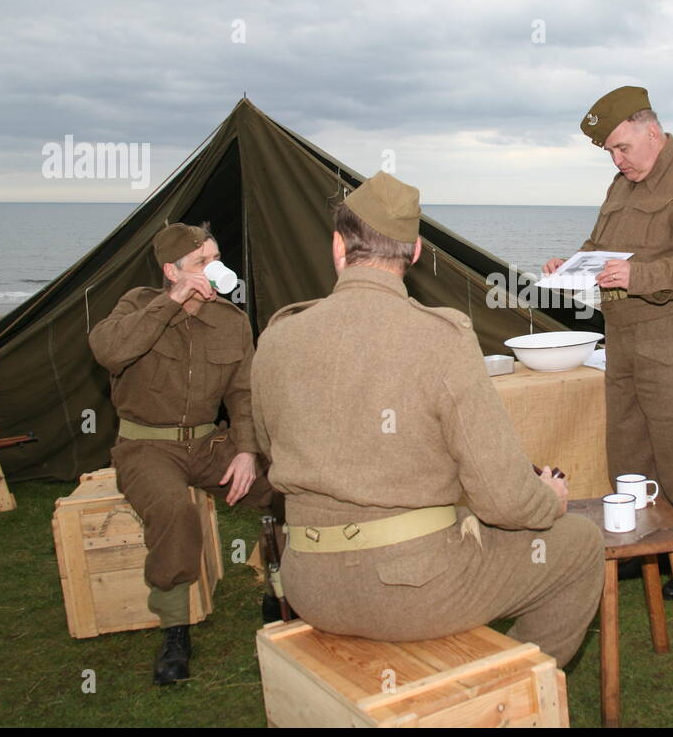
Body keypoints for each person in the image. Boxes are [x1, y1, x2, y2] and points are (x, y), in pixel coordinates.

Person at [251, 172, 603, 667]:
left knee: (456, 521)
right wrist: (548, 501)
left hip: (311, 585)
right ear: (414, 253)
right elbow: (503, 498)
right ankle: (509, 694)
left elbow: (271, 447)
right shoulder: (442, 338)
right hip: (412, 589)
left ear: (337, 246)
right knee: (579, 544)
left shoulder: (278, 337)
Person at [544, 86, 673, 598]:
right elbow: (600, 246)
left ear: (652, 131)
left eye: (622, 147)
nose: (616, 159)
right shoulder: (622, 184)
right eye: (609, 151)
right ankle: (643, 542)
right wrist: (571, 266)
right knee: (630, 444)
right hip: (625, 336)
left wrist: (638, 275)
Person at [89, 223, 282, 685]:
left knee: (286, 488)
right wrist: (171, 301)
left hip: (208, 443)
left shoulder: (230, 320)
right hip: (146, 446)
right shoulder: (137, 307)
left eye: (216, 259)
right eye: (202, 263)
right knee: (175, 511)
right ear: (171, 270)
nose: (213, 270)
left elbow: (243, 394)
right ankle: (175, 628)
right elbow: (108, 352)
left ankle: (280, 588)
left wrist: (247, 451)